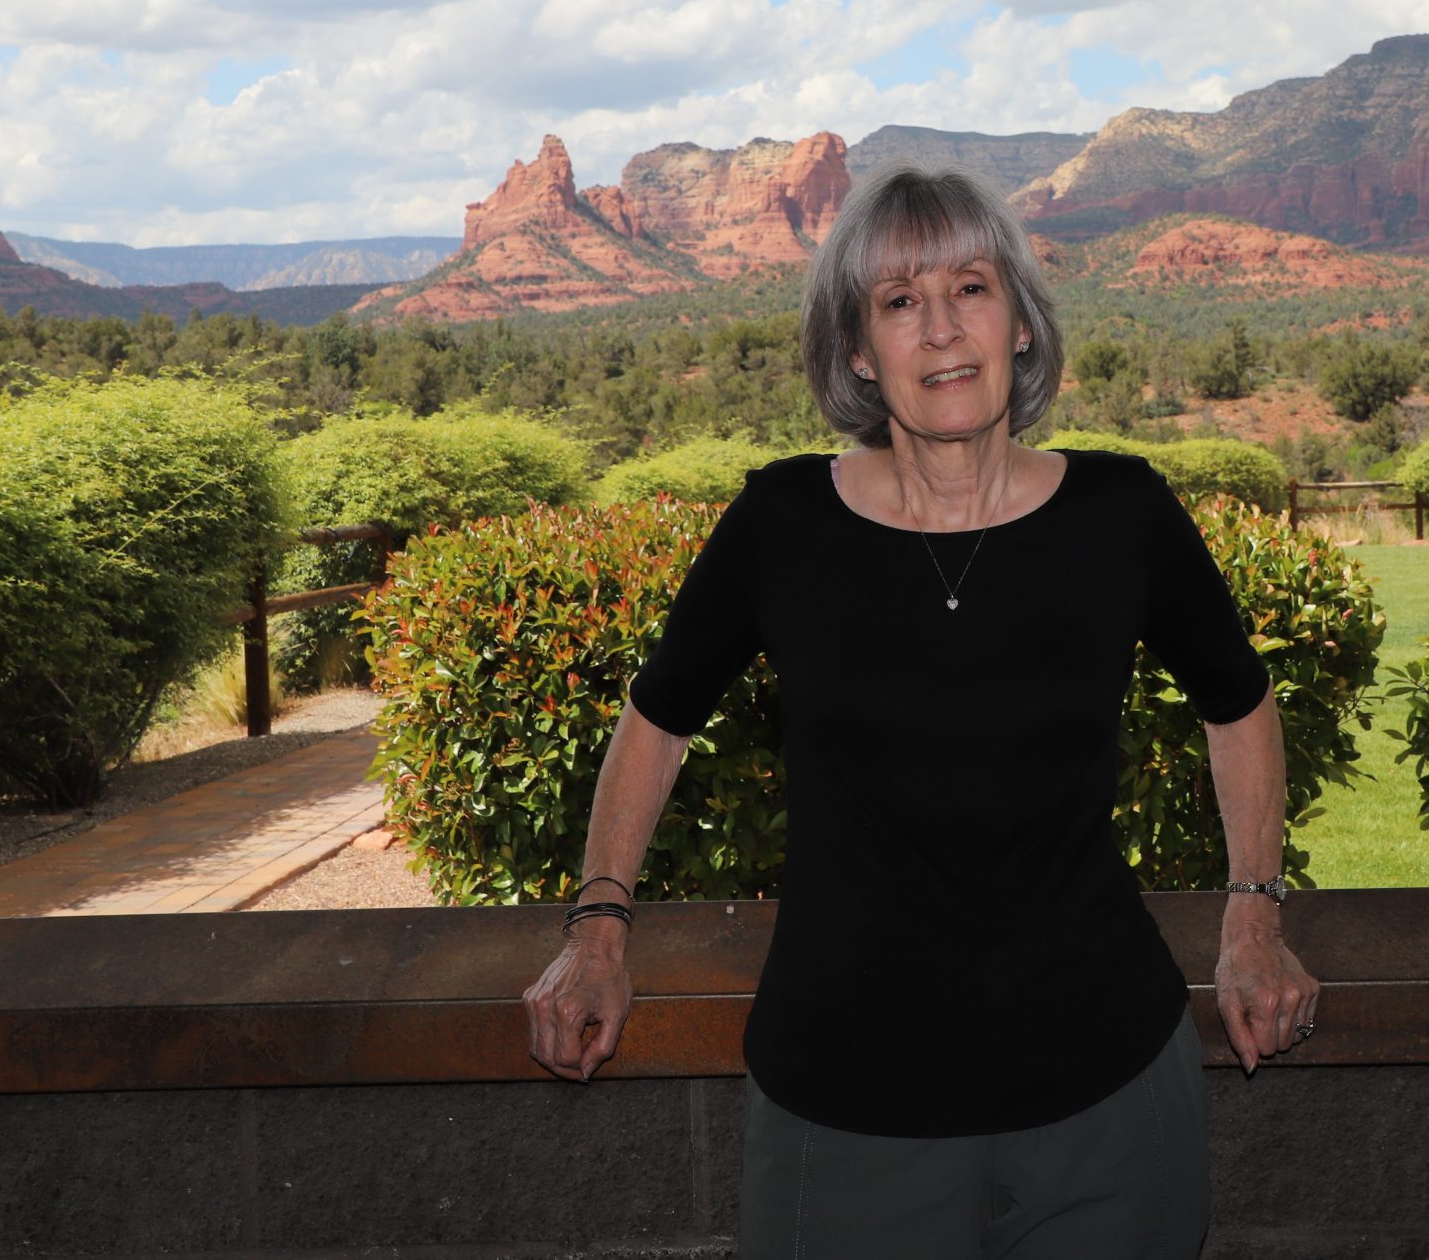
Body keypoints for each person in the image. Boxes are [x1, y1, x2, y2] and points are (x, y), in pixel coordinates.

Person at [523, 164, 1321, 1258]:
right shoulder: (782, 524)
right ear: (857, 350)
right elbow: (657, 719)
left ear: (1021, 327)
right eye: (899, 302)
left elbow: (1238, 703)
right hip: (842, 1112)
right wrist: (599, 925)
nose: (941, 329)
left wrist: (1253, 914)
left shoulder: (1120, 513)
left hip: (1108, 1104)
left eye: (970, 289)